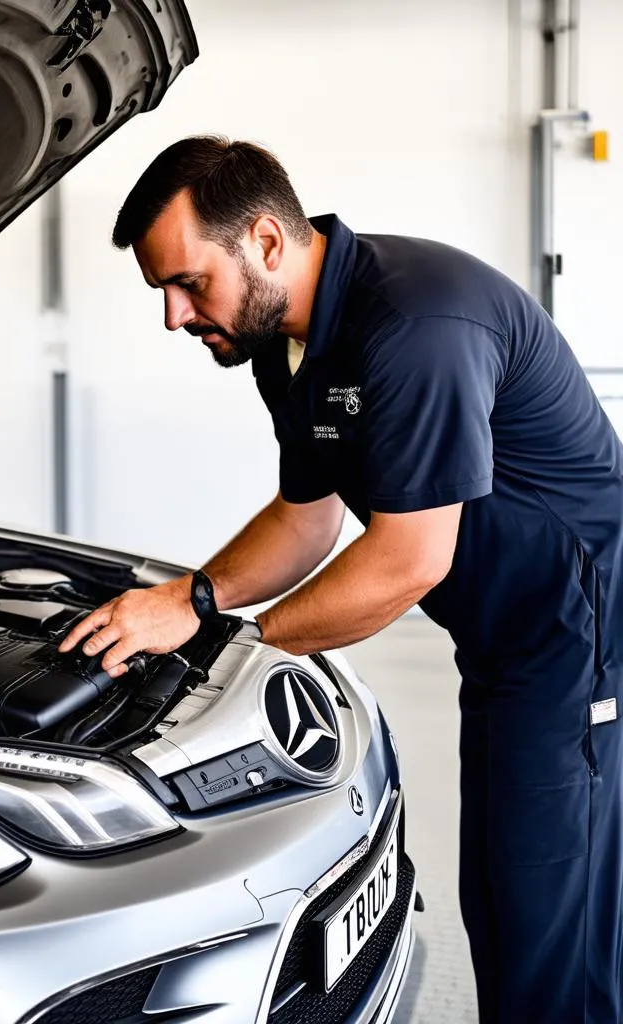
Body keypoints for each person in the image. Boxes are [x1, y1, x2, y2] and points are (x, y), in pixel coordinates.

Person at [58, 135, 623, 1023]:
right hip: (502, 638)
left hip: (574, 640)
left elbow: (407, 558)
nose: (173, 315)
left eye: (189, 282)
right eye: (160, 290)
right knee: (508, 901)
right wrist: (189, 600)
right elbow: (306, 517)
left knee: (549, 925)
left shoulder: (418, 326)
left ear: (268, 244)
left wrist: (231, 652)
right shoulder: (288, 348)